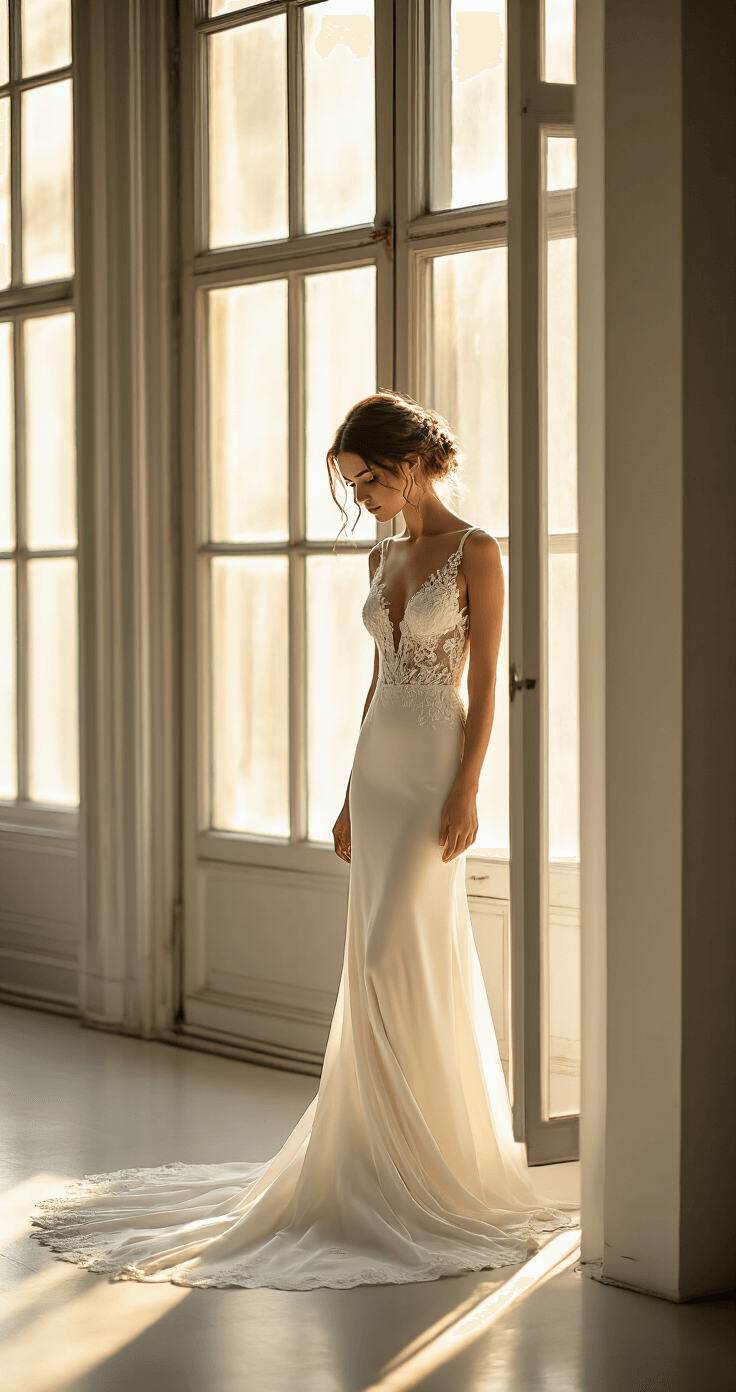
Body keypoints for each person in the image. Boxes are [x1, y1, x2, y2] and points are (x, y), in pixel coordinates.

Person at [32, 391, 577, 1290]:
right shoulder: (383, 550)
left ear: (409, 465)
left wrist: (470, 788)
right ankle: (368, 1159)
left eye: (368, 480)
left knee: (399, 957)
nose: (362, 497)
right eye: (356, 484)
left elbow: (485, 688)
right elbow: (376, 683)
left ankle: (426, 1167)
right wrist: (346, 800)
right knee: (371, 957)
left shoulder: (478, 551)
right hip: (379, 773)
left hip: (438, 771)